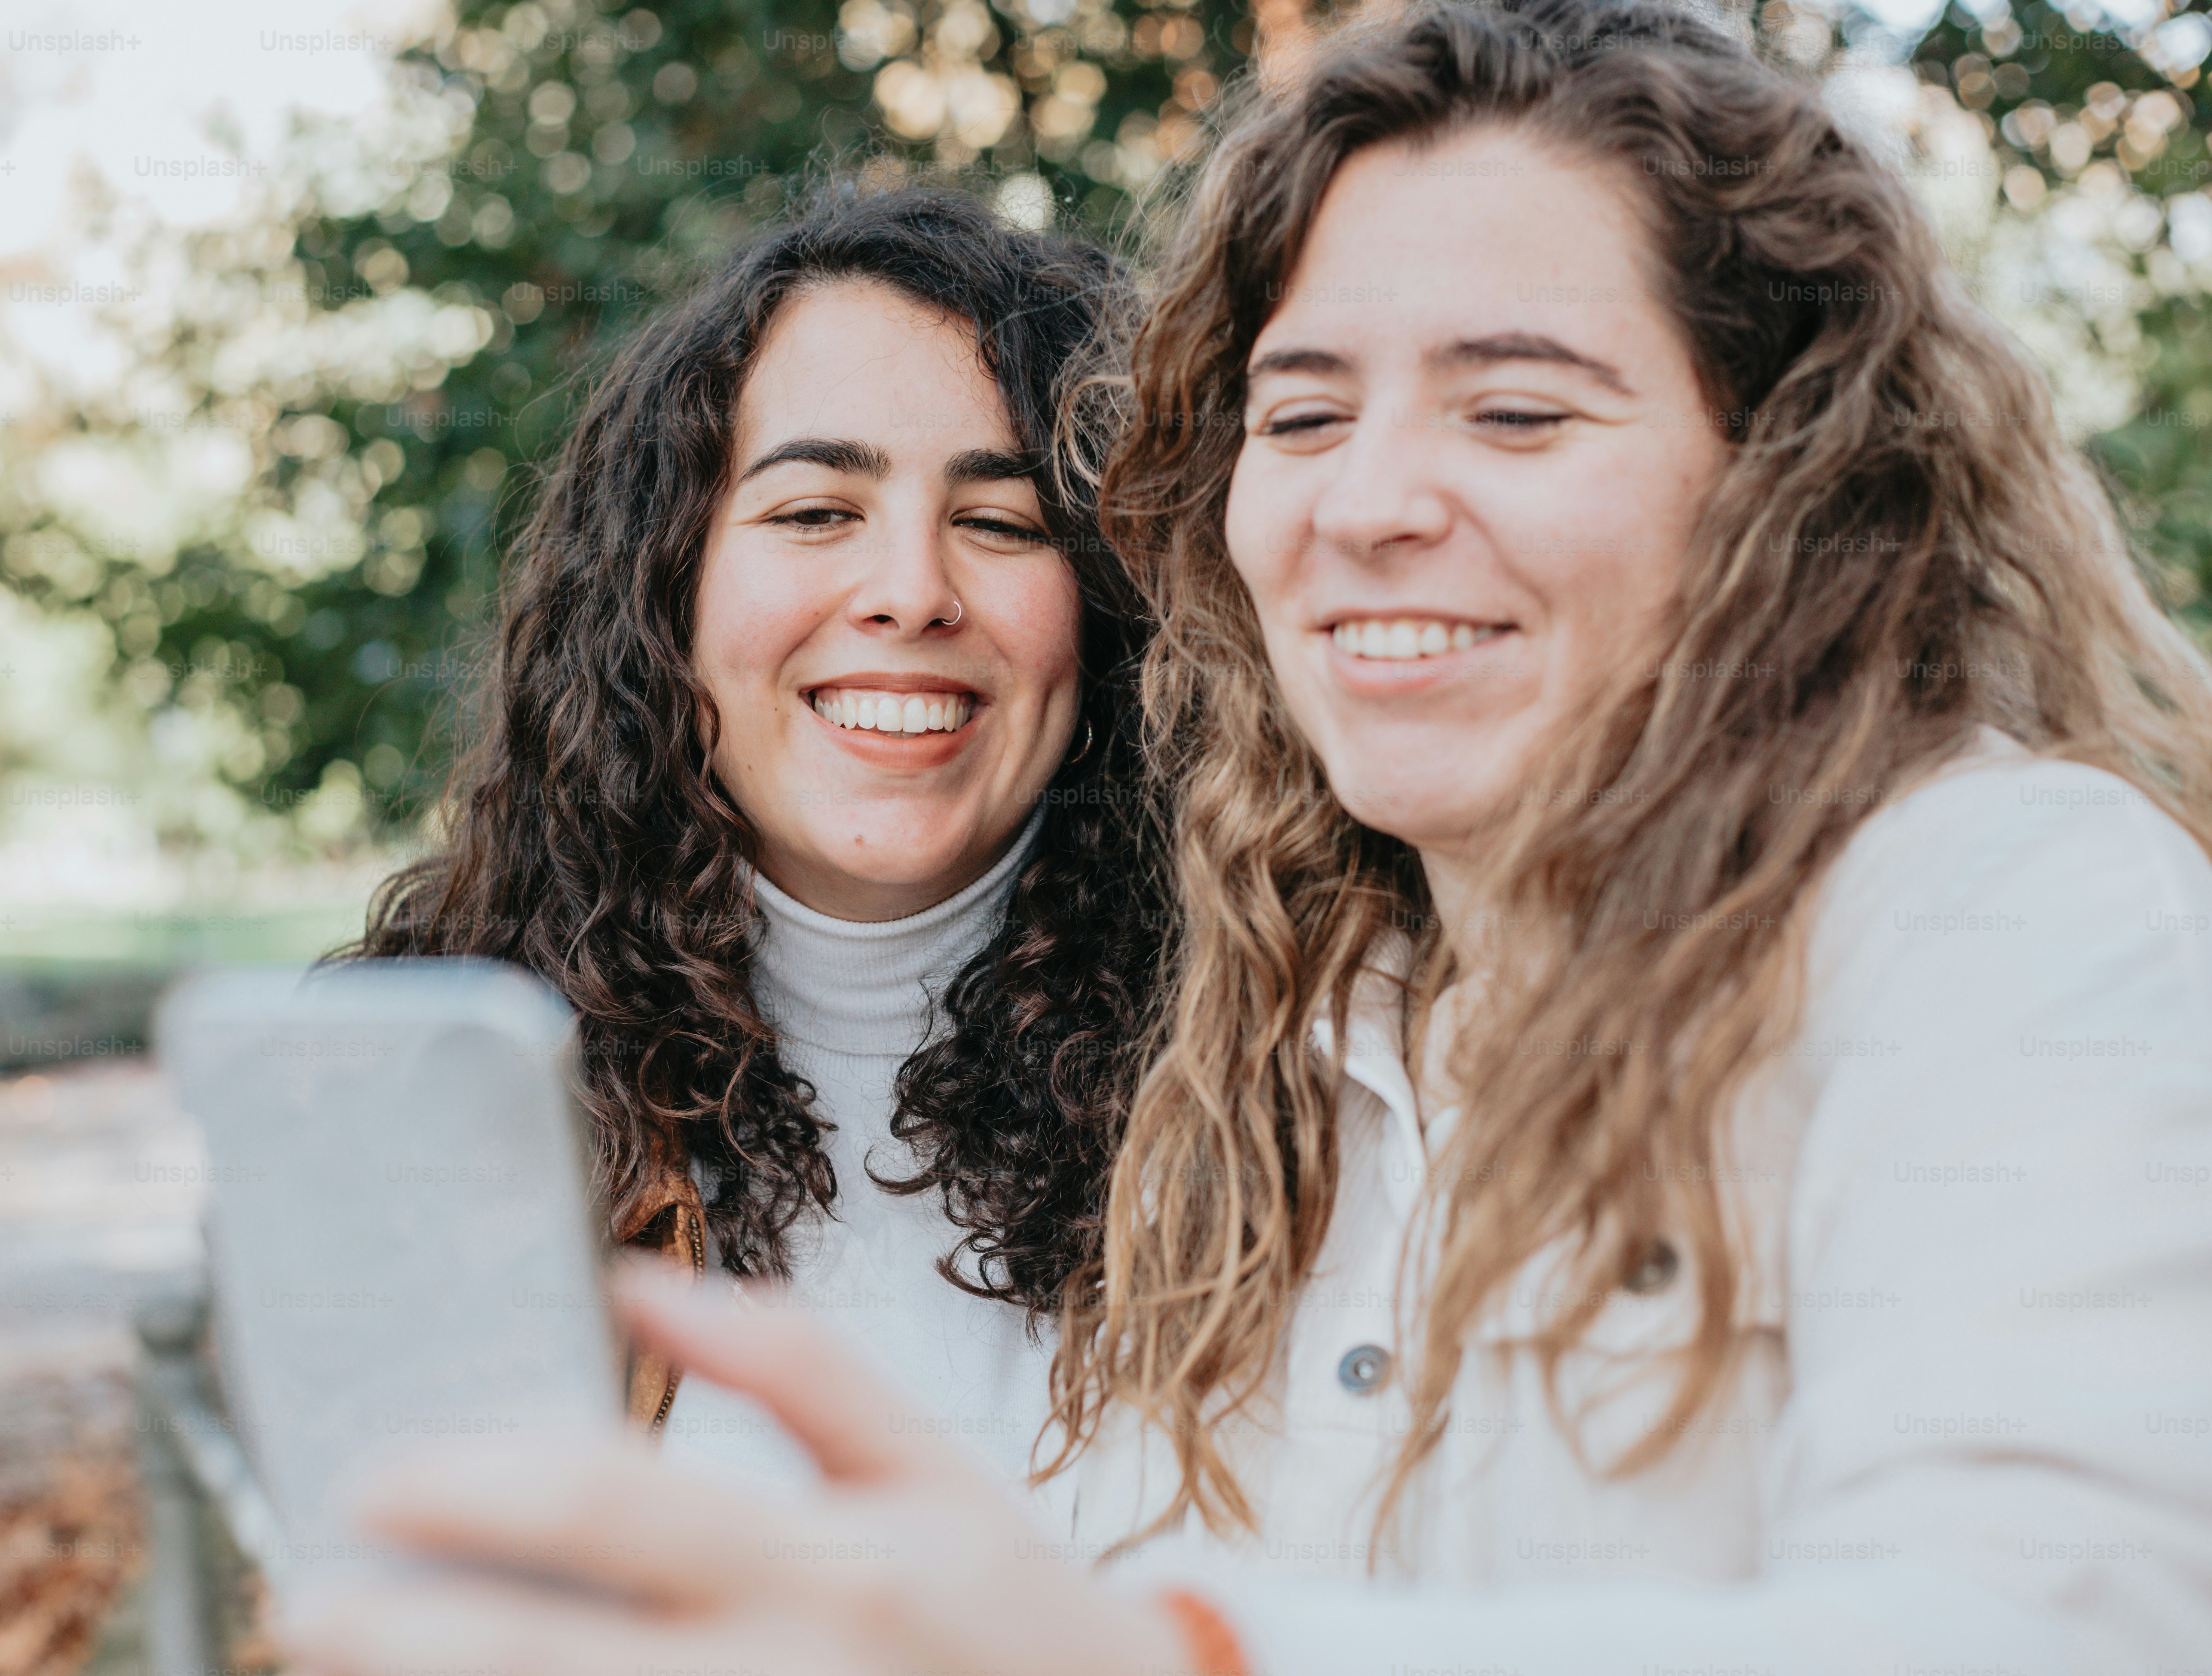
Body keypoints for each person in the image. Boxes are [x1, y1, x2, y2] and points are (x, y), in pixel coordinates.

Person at [283, 3, 2212, 1673]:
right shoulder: (1295, 1041)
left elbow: (2060, 1620)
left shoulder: (2003, 913)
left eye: (1517, 410)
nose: (1372, 500)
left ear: (1791, 469)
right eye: (1304, 415)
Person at [354, 184, 1168, 1509]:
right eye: (815, 513)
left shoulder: (1292, 1077)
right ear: (666, 589)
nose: (911, 591)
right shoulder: (448, 1104)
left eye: (1003, 523)